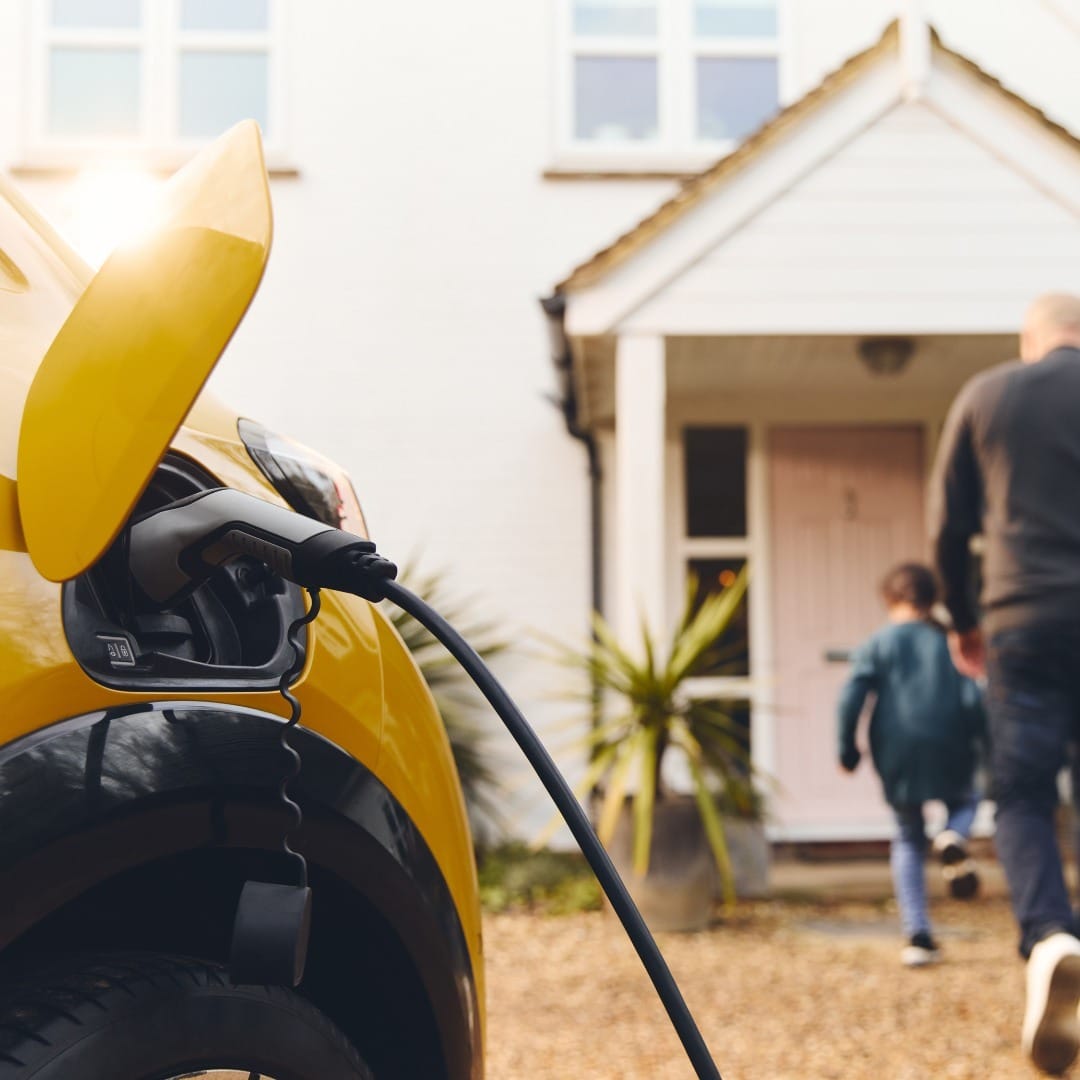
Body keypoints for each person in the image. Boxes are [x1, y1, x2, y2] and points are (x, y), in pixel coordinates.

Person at [930, 292, 1080, 1074]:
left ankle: (1052, 935)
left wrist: (962, 616)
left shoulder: (988, 394)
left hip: (1023, 619)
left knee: (1023, 792)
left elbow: (948, 523)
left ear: (1032, 341)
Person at [837, 562, 985, 968]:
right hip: (950, 742)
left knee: (907, 835)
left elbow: (851, 697)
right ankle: (954, 835)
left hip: (896, 749)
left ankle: (918, 936)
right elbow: (974, 697)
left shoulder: (877, 644)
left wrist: (847, 749)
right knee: (967, 798)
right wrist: (982, 742)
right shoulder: (950, 641)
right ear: (931, 599)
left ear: (890, 599)